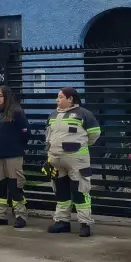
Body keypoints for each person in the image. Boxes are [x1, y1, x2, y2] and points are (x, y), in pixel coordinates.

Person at [46, 87, 101, 237]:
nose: (57, 100)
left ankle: (85, 223)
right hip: (57, 161)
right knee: (61, 192)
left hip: (77, 161)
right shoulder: (53, 114)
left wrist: (80, 145)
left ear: (70, 99)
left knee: (80, 191)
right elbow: (49, 135)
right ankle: (62, 222)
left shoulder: (84, 114)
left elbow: (94, 134)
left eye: (60, 97)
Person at [0, 85, 31, 229]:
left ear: (7, 96)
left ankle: (20, 215)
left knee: (15, 185)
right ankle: (1, 215)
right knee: (0, 186)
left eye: (0, 95)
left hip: (13, 155)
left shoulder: (16, 112)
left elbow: (25, 133)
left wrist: (16, 146)